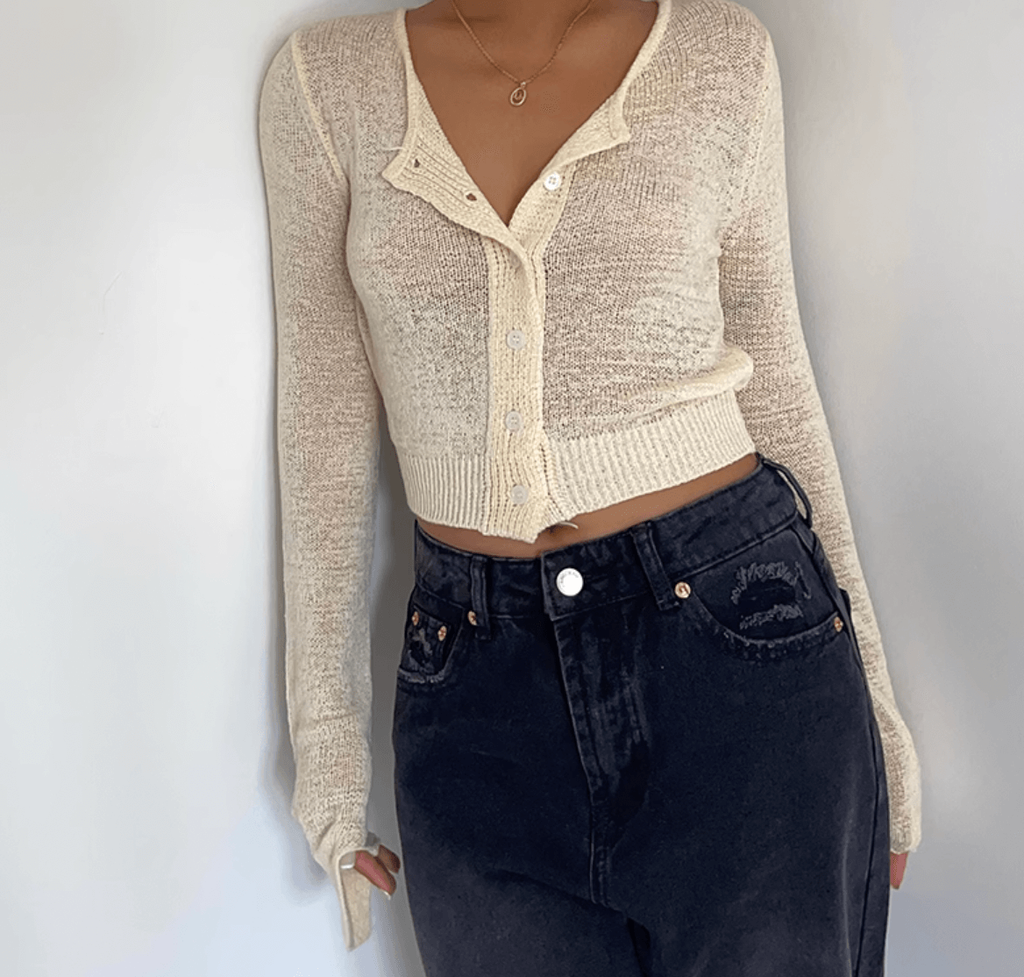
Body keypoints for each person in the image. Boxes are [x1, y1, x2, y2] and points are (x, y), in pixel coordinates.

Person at [258, 0, 922, 972]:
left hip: (738, 655)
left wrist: (880, 713)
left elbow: (777, 377)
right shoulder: (326, 86)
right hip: (475, 697)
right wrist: (327, 754)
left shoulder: (721, 55)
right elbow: (321, 422)